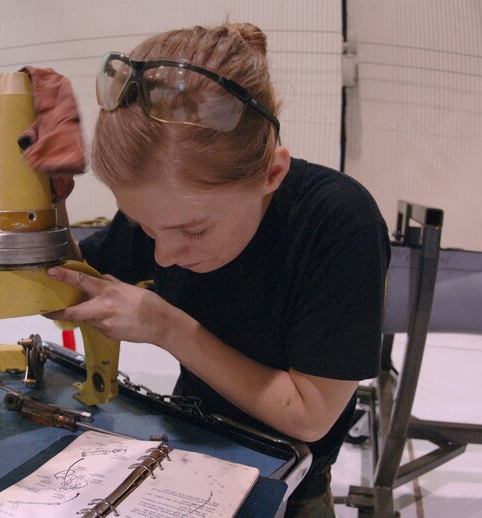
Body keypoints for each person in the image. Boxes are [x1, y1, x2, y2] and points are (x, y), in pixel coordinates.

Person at [44, 23, 391, 517]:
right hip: (186, 451)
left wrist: (166, 326)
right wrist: (45, 202)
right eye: (145, 227)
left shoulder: (336, 221)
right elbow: (74, 288)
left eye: (194, 231)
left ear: (271, 173)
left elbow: (309, 415)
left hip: (287, 485)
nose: (163, 255)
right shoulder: (171, 212)